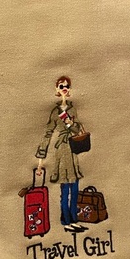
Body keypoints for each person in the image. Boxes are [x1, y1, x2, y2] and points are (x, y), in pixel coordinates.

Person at [35, 76, 88, 233]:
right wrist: (40, 161)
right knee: (65, 190)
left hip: (73, 150)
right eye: (61, 86)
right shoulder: (55, 112)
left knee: (75, 188)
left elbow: (77, 129)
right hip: (62, 150)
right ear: (57, 89)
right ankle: (66, 221)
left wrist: (71, 124)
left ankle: (74, 219)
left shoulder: (72, 109)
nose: (64, 88)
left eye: (67, 86)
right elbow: (48, 133)